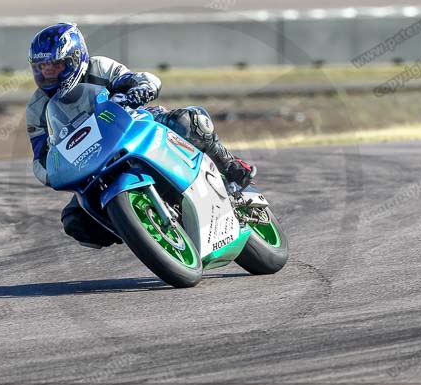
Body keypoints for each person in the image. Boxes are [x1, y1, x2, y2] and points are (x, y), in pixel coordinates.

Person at [26, 22, 256, 248]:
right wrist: (51, 173)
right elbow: (40, 158)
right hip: (91, 164)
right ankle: (140, 230)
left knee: (189, 122)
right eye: (41, 67)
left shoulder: (100, 68)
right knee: (75, 222)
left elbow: (143, 80)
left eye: (54, 66)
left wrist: (139, 91)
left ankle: (229, 166)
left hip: (135, 128)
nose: (48, 74)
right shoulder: (36, 108)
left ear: (74, 60)